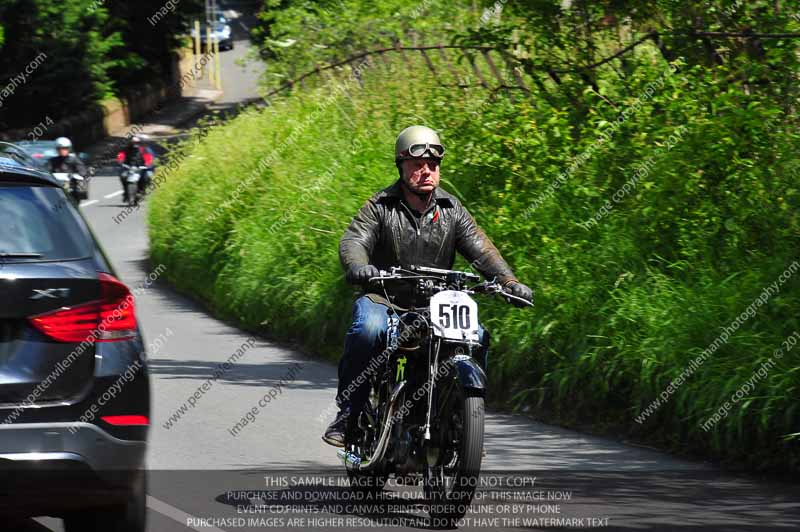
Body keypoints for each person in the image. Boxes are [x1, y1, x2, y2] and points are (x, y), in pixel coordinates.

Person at [322, 125, 533, 447]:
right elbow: (355, 240)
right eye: (417, 165)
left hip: (437, 303)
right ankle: (350, 414)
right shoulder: (380, 206)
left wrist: (509, 281)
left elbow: (482, 249)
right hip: (385, 298)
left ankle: (463, 420)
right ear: (401, 166)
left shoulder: (452, 209)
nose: (426, 171)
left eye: (432, 165)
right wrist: (359, 267)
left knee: (478, 337)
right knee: (367, 331)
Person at [48, 137, 87, 203]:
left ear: (69, 149)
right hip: (57, 187)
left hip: (71, 188)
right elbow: (46, 170)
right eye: (60, 148)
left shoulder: (74, 160)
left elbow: (82, 170)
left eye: (65, 148)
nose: (63, 150)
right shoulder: (52, 161)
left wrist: (76, 175)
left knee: (76, 194)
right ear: (57, 149)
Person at [116, 136, 155, 202]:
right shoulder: (126, 149)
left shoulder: (143, 149)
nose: (135, 144)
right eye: (133, 142)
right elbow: (121, 155)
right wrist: (120, 160)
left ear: (140, 142)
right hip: (129, 168)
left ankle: (142, 191)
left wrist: (148, 163)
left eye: (137, 142)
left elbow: (148, 157)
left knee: (147, 177)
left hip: (141, 168)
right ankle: (125, 192)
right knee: (123, 176)